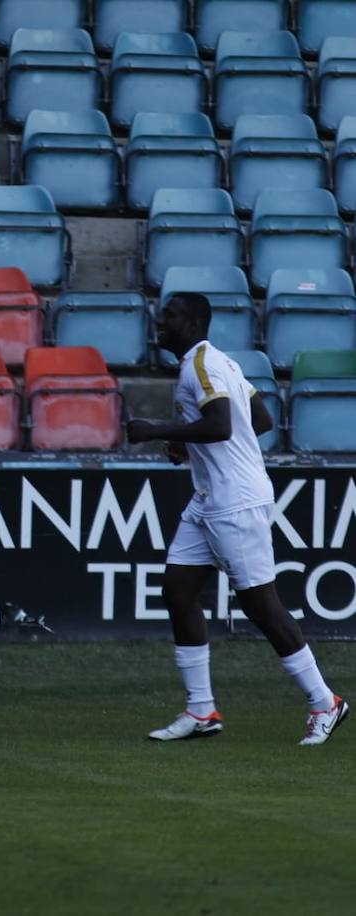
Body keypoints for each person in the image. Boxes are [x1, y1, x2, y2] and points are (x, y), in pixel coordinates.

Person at [127, 292, 347, 745]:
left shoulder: (200, 366)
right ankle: (202, 710)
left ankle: (325, 701)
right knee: (177, 590)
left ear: (192, 322)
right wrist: (188, 446)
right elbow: (259, 418)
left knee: (261, 606)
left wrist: (156, 430)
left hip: (235, 503)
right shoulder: (220, 362)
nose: (160, 324)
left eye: (168, 317)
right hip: (209, 500)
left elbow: (222, 426)